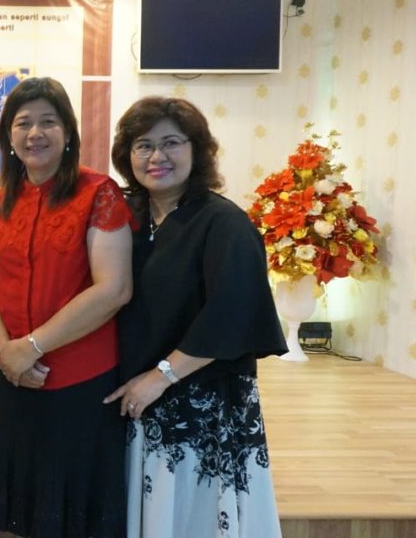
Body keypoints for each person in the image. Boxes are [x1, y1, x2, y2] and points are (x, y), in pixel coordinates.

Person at [105, 96, 287, 537]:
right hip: (137, 399)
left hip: (200, 405)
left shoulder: (224, 223)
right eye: (143, 145)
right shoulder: (126, 217)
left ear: (197, 150)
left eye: (171, 143)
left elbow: (232, 313)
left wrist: (161, 377)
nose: (157, 157)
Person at [0, 77, 133, 537]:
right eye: (23, 123)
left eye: (48, 122)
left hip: (81, 381)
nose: (35, 133)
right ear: (8, 135)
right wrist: (8, 353)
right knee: (20, 515)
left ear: (68, 132)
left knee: (75, 516)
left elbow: (114, 289)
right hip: (18, 380)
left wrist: (32, 347)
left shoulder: (98, 192)